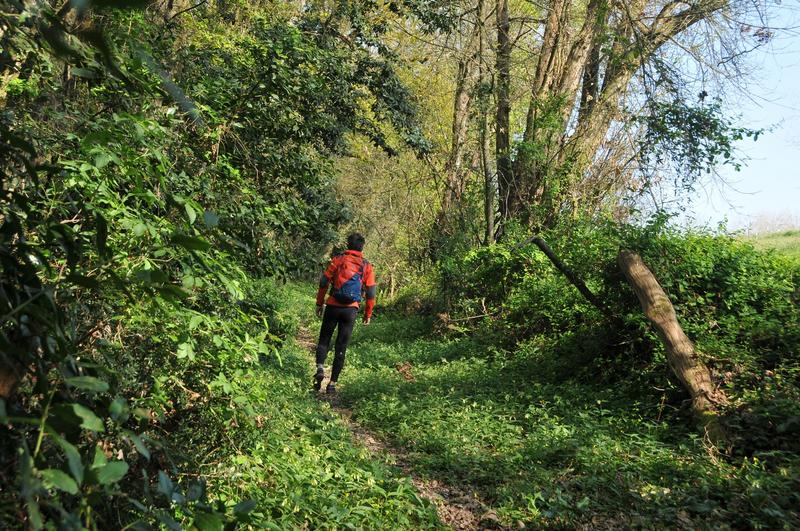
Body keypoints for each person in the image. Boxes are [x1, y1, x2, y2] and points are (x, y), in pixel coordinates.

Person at [313, 233, 376, 394]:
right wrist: (367, 314)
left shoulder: (338, 259)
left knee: (324, 340)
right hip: (351, 310)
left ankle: (320, 368)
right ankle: (332, 384)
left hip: (333, 306)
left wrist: (319, 303)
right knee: (341, 346)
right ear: (362, 247)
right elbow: (370, 293)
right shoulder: (366, 265)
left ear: (348, 244)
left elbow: (324, 282)